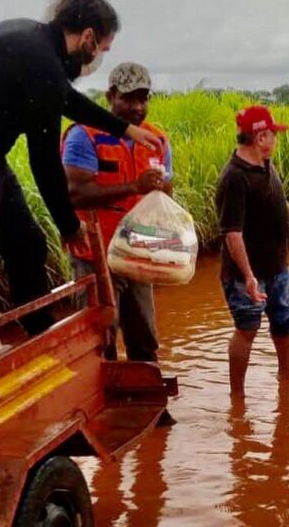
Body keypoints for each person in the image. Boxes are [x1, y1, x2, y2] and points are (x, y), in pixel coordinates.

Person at [0, 0, 161, 332]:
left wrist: (124, 129)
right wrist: (68, 225)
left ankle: (39, 333)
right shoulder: (40, 62)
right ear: (87, 37)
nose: (97, 58)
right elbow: (44, 159)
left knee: (28, 244)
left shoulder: (34, 42)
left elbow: (65, 98)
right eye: (102, 48)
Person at [62, 62, 172, 361]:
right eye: (129, 98)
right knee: (99, 342)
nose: (138, 107)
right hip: (95, 256)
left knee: (145, 338)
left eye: (143, 98)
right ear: (110, 96)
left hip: (138, 252)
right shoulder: (85, 135)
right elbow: (74, 194)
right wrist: (134, 186)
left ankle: (148, 402)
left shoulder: (156, 139)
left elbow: (167, 193)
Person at [215, 106, 289, 397]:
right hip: (246, 275)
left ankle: (286, 378)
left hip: (278, 267)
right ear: (260, 136)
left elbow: (276, 205)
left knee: (285, 321)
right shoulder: (234, 178)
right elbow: (232, 233)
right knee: (247, 328)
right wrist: (249, 276)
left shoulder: (266, 165)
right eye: (272, 134)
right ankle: (237, 396)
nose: (276, 139)